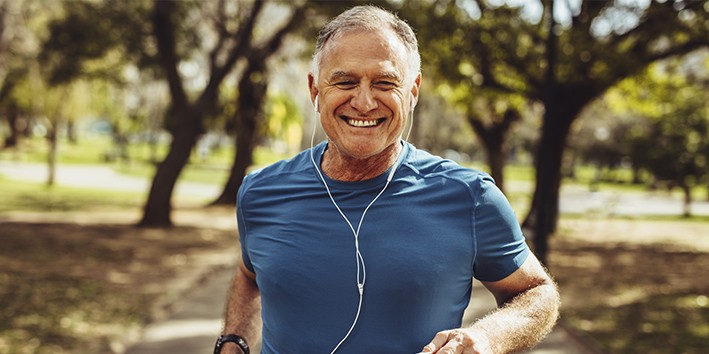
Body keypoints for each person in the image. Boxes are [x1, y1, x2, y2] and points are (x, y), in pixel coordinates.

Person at [216, 5, 560, 354]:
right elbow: (249, 274)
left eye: (384, 82)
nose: (364, 102)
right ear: (314, 89)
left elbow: (536, 292)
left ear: (413, 91)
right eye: (345, 81)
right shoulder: (260, 191)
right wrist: (234, 340)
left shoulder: (470, 196)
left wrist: (489, 337)